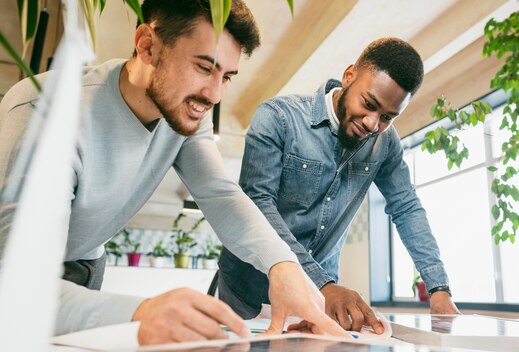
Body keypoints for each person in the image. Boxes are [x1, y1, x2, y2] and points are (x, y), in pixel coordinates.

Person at [0, 0, 348, 345]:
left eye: (226, 76)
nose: (214, 94)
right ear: (147, 45)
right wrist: (143, 313)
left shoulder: (184, 114)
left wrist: (283, 266)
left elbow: (222, 194)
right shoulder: (45, 114)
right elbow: (16, 288)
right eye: (203, 67)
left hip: (85, 268)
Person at [218, 37, 460, 333]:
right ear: (348, 77)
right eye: (369, 104)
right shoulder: (279, 118)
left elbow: (407, 207)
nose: (373, 124)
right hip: (248, 291)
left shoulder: (385, 144)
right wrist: (324, 283)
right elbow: (259, 203)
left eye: (387, 117)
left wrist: (438, 288)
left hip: (320, 298)